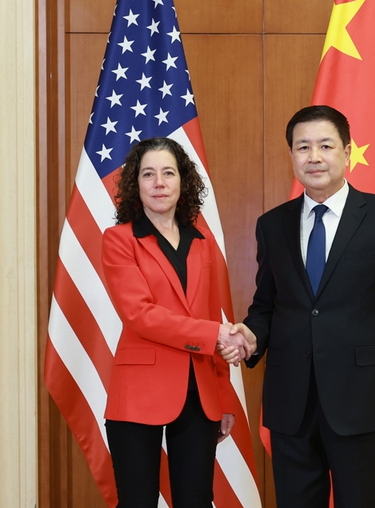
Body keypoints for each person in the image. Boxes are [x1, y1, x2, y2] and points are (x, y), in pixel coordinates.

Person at [236, 105, 375, 507]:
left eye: (325, 145)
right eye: (303, 147)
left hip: (361, 400)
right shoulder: (272, 224)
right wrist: (251, 335)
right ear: (291, 156)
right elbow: (267, 305)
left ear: (348, 152)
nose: (314, 157)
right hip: (291, 402)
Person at [101, 137, 255, 507]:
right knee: (137, 501)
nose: (159, 182)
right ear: (134, 184)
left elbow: (211, 317)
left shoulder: (203, 243)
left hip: (198, 395)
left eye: (168, 173)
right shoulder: (119, 240)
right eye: (148, 174)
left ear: (182, 181)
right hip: (138, 393)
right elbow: (139, 315)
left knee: (197, 500)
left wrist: (222, 397)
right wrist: (214, 333)